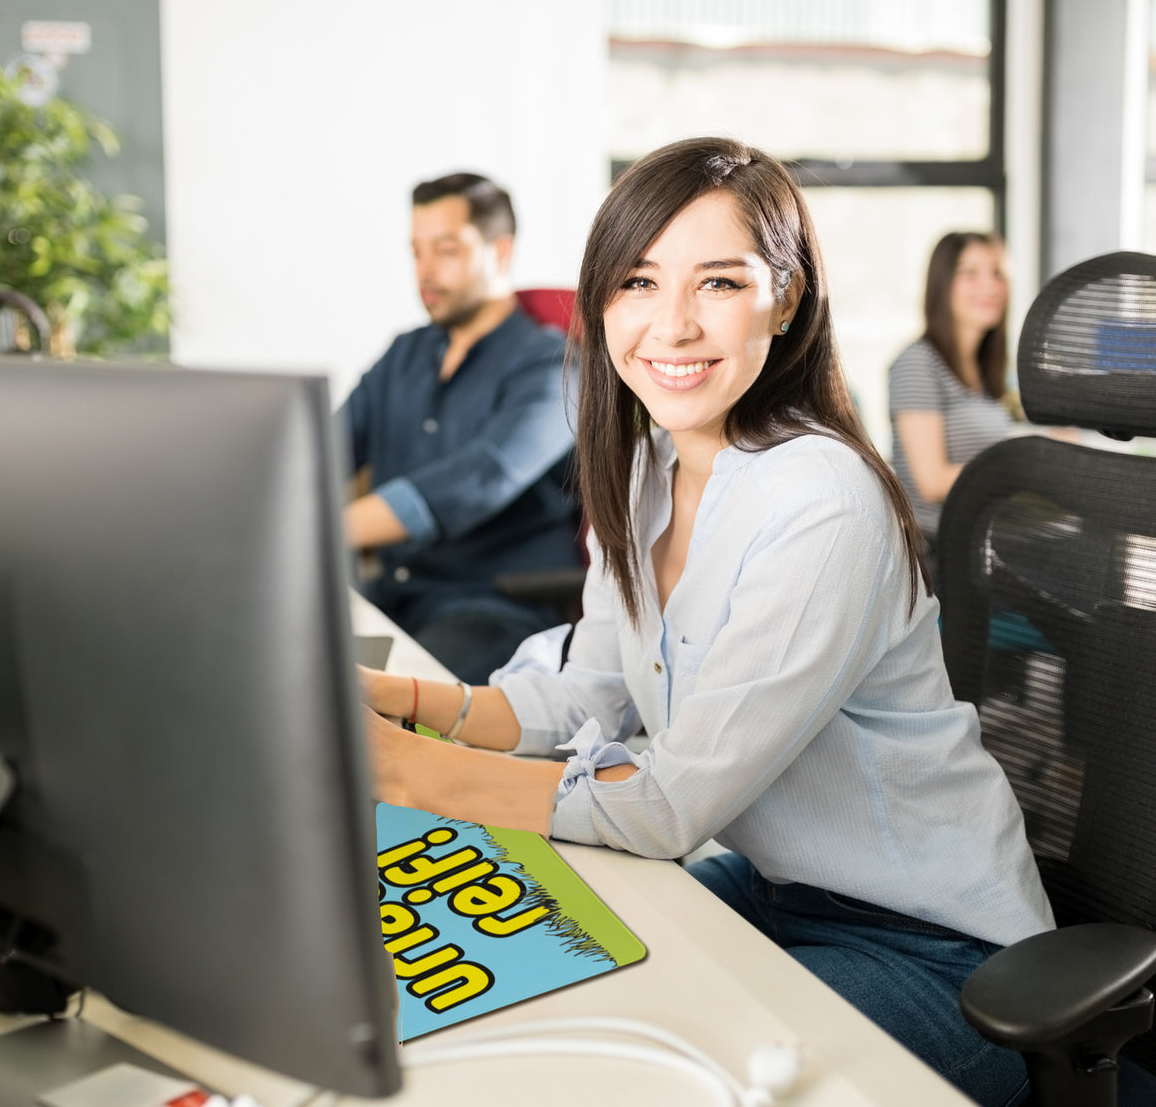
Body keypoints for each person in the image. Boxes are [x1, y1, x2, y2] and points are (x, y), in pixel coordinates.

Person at [360, 138, 1053, 1107]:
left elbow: (666, 803)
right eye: (637, 281)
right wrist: (387, 699)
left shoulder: (821, 499)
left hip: (936, 948)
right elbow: (583, 688)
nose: (671, 323)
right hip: (772, 888)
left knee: (652, 1087)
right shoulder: (646, 463)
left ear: (785, 297)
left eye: (718, 281)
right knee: (536, 1012)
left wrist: (396, 767)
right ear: (599, 301)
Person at [340, 172, 581, 683]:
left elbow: (482, 478)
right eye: (416, 252)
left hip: (496, 607)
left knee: (376, 710)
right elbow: (317, 454)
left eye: (445, 250)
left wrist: (323, 529)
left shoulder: (554, 366)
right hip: (396, 595)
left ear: (499, 251)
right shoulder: (403, 354)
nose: (424, 271)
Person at [888, 231, 1024, 572]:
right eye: (970, 273)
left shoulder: (986, 372)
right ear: (942, 283)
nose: (989, 286)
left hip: (984, 542)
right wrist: (1027, 462)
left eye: (997, 273)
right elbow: (931, 482)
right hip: (940, 552)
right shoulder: (917, 363)